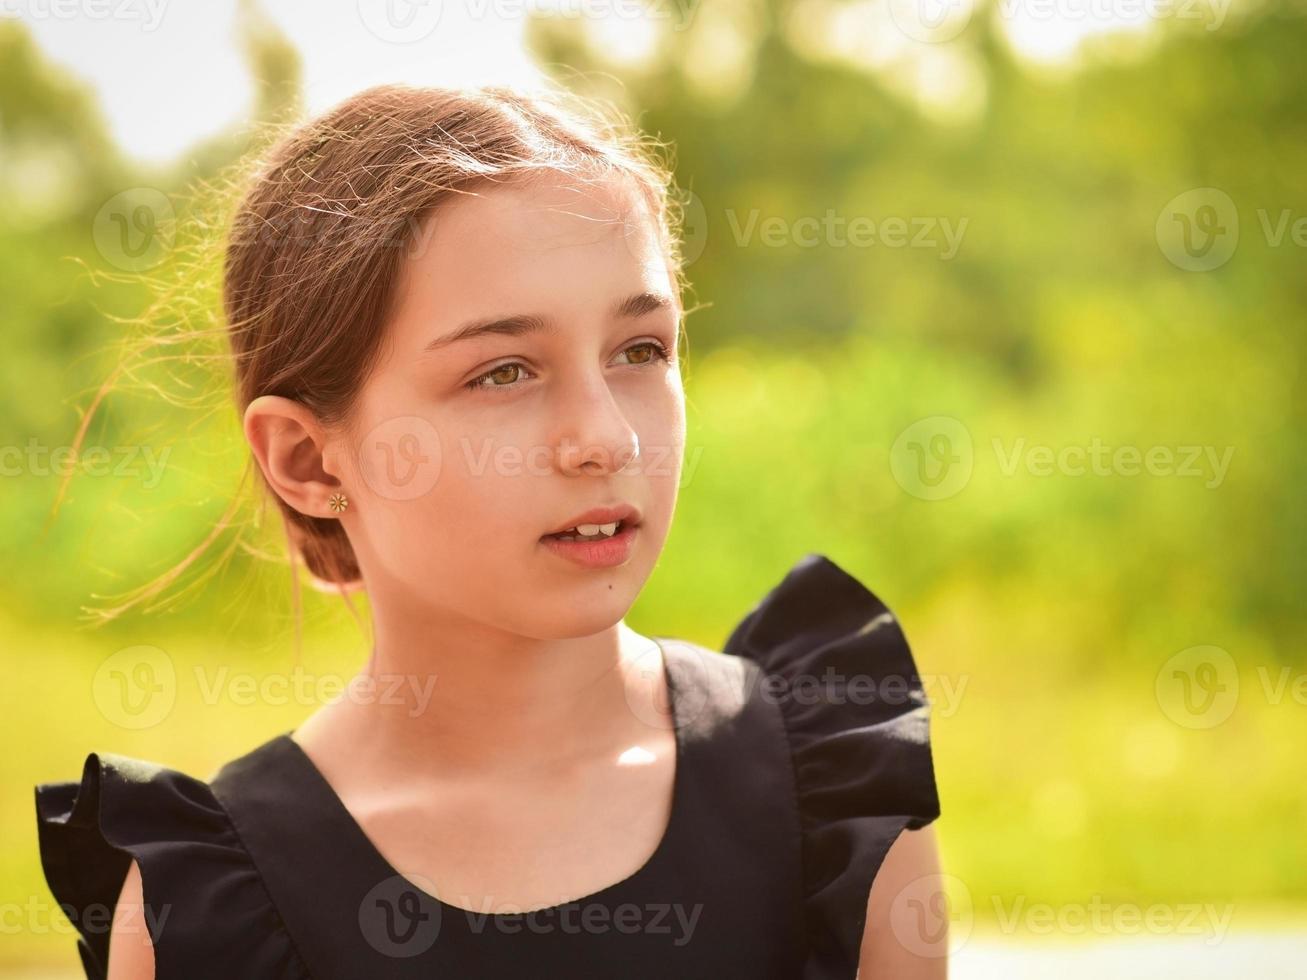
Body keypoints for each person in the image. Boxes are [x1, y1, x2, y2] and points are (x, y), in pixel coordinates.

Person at [34, 81, 945, 979]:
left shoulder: (828, 788)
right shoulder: (208, 913)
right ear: (308, 462)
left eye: (640, 351)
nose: (605, 438)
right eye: (503, 372)